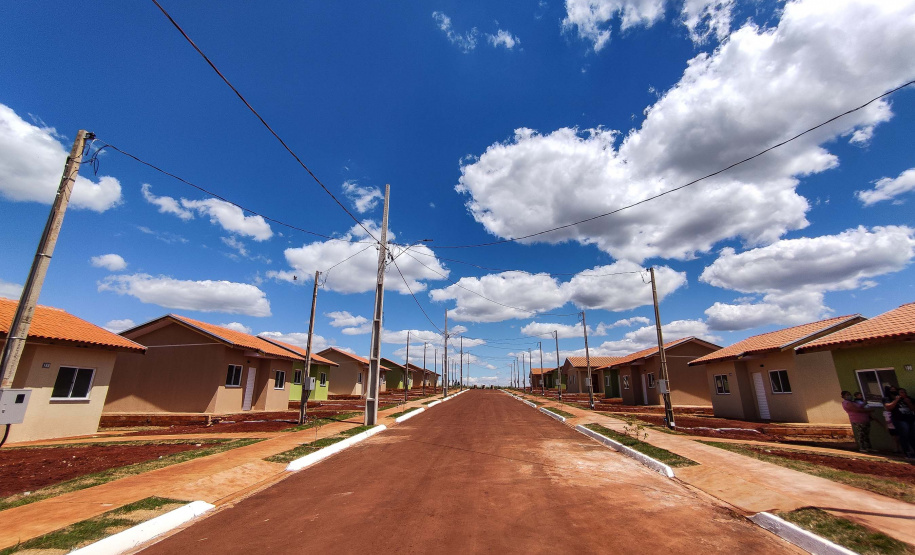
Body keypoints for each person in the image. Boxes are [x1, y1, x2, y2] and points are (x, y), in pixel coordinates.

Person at [884, 386, 915, 459]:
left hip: (910, 419)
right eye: (901, 392)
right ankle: (907, 452)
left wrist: (908, 403)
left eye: (904, 392)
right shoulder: (888, 398)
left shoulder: (908, 399)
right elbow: (888, 408)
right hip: (899, 419)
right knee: (904, 435)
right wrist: (896, 400)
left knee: (912, 436)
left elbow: (913, 409)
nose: (904, 393)